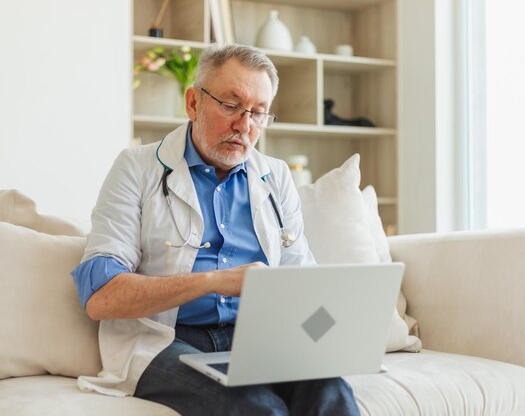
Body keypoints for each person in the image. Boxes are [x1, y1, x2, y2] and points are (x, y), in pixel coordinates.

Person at [71, 44, 361, 416]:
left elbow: (300, 279)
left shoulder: (276, 177)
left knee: (331, 390)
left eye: (258, 113)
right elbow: (100, 297)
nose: (245, 125)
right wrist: (214, 281)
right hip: (167, 340)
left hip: (259, 336)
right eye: (230, 105)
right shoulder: (136, 168)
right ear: (193, 103)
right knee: (256, 408)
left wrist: (326, 342)